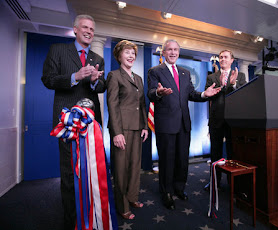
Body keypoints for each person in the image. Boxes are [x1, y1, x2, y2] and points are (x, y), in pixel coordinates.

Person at [41, 14, 105, 229]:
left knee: (91, 174)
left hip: (90, 126)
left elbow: (101, 87)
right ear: (75, 29)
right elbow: (48, 79)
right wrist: (74, 77)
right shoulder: (58, 50)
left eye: (92, 29)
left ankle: (91, 219)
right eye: (85, 27)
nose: (89, 31)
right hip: (67, 124)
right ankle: (72, 222)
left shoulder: (98, 57)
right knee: (70, 175)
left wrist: (95, 82)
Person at [147, 39, 221, 210]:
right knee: (167, 160)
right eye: (169, 50)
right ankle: (166, 192)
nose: (172, 53)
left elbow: (192, 94)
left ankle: (179, 188)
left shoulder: (185, 73)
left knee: (182, 159)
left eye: (175, 50)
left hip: (183, 124)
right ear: (163, 52)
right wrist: (158, 92)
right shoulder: (155, 71)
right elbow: (150, 93)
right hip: (166, 123)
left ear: (178, 53)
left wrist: (204, 94)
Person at [105, 40, 148, 220]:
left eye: (133, 53)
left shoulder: (138, 78)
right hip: (121, 129)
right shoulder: (114, 76)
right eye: (127, 52)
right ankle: (123, 207)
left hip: (137, 128)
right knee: (121, 170)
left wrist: (145, 126)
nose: (131, 56)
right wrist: (117, 132)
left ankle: (132, 197)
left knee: (134, 167)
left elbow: (142, 105)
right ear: (119, 56)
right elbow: (112, 105)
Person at [204, 50, 246, 189]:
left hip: (234, 121)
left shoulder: (240, 75)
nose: (222, 59)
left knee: (233, 153)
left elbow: (244, 94)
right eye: (220, 57)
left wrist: (233, 85)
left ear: (232, 60)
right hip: (216, 120)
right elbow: (208, 95)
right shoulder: (212, 77)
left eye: (225, 57)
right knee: (215, 153)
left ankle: (233, 184)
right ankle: (214, 183)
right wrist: (221, 87)